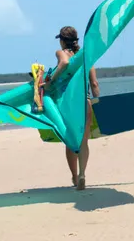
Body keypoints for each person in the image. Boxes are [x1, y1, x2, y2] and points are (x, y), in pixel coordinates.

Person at [42, 26, 100, 191]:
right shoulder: (86, 58)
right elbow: (95, 85)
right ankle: (82, 174)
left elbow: (65, 63)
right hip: (85, 102)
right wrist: (98, 98)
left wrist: (50, 81)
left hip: (67, 104)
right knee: (83, 141)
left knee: (69, 140)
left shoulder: (62, 53)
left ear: (62, 40)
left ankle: (74, 177)